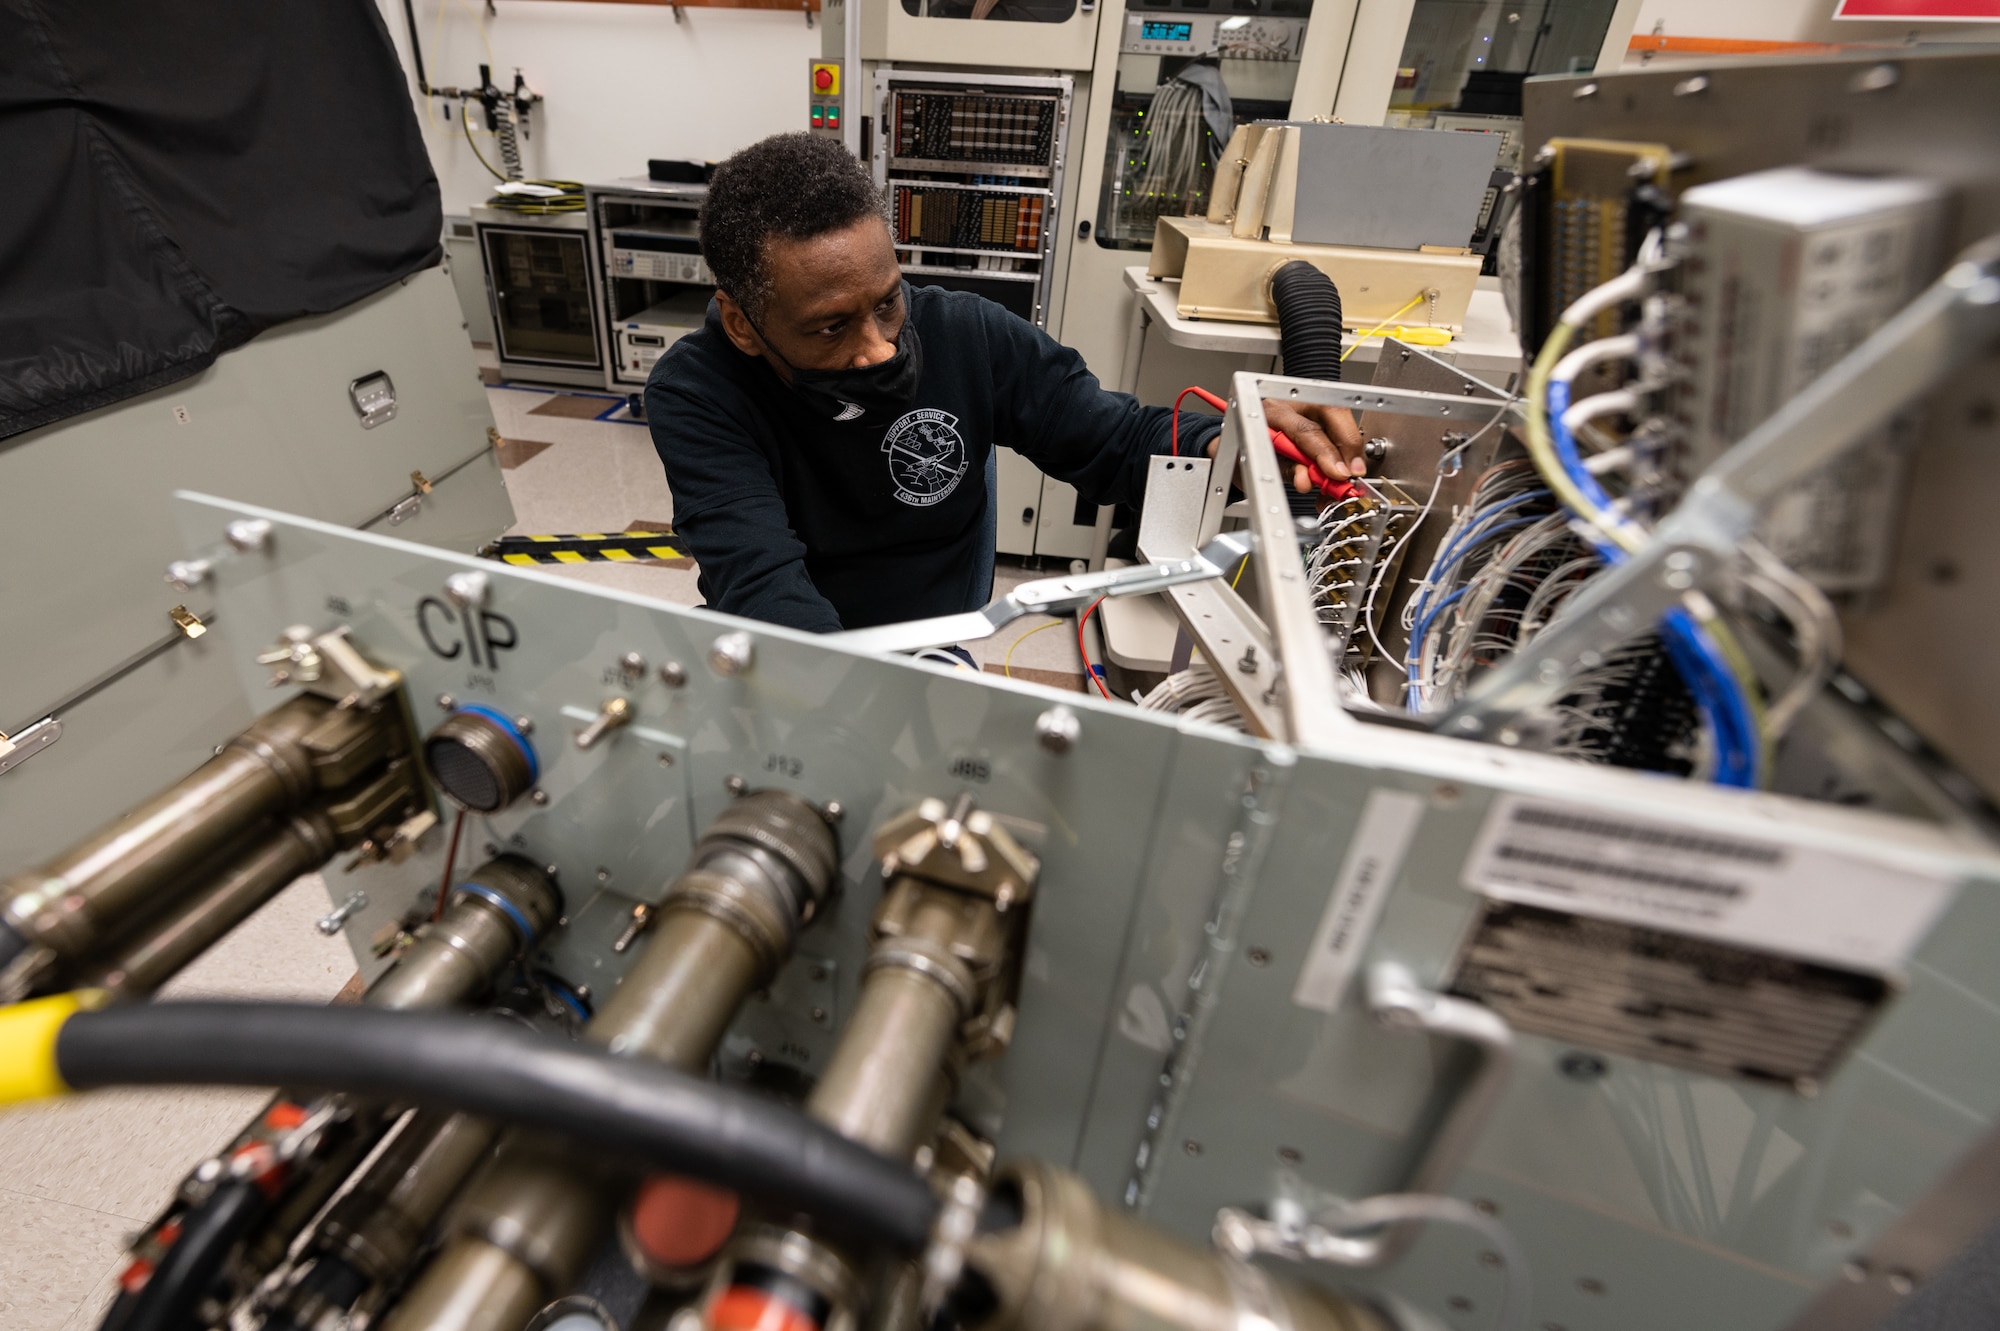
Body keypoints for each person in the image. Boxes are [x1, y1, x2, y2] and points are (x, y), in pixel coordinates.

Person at [644, 132, 1363, 634]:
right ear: (743, 324)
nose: (877, 348)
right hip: (792, 639)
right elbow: (762, 582)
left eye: (888, 302)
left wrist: (1232, 442)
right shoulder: (699, 389)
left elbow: (1112, 438)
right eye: (831, 329)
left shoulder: (969, 335)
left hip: (936, 632)